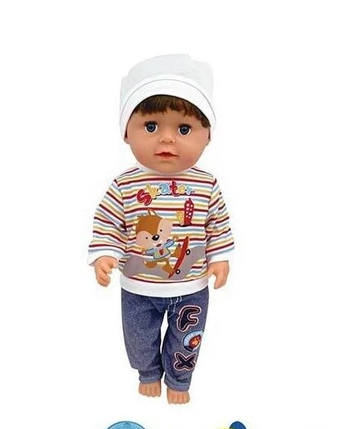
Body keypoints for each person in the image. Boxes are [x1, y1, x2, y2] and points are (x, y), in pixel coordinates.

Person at [88, 54, 234, 404]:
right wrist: (105, 253)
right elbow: (108, 222)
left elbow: (217, 224)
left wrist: (219, 257)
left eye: (184, 129)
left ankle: (180, 380)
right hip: (138, 286)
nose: (167, 140)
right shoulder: (124, 185)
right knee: (139, 337)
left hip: (191, 285)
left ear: (207, 137)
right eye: (151, 126)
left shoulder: (206, 185)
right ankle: (148, 372)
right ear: (126, 132)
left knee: (187, 339)